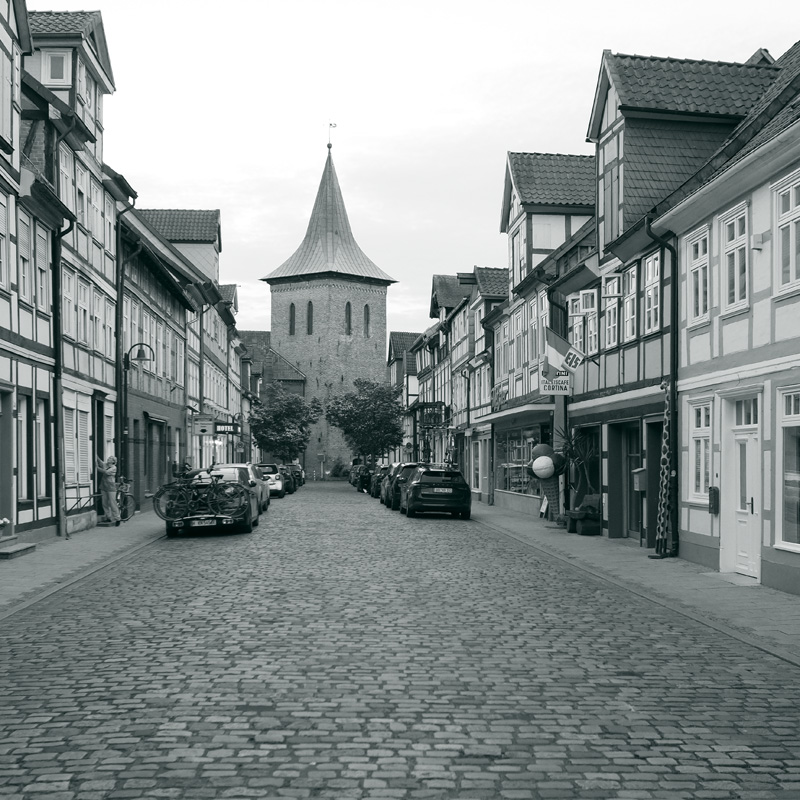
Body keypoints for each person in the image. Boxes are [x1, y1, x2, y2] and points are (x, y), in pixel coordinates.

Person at [96, 456, 121, 526]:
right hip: (103, 486)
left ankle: (117, 518)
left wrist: (97, 468)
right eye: (108, 458)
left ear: (113, 461)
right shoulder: (105, 464)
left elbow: (106, 472)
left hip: (111, 487)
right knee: (104, 503)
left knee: (113, 503)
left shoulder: (113, 468)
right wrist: (95, 454)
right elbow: (100, 461)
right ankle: (108, 517)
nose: (108, 459)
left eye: (110, 459)